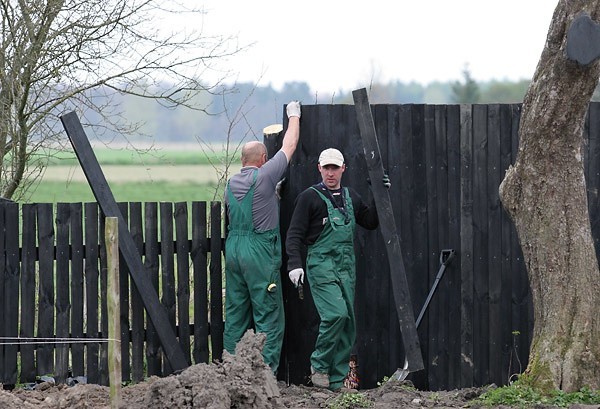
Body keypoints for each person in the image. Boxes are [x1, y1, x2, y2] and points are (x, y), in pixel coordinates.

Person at [285, 148, 390, 392]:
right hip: (321, 264)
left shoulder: (350, 196)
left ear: (344, 169)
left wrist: (379, 191)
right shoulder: (309, 197)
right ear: (319, 169)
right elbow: (294, 234)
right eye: (326, 168)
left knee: (348, 323)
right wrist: (294, 264)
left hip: (345, 265)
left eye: (335, 168)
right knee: (336, 315)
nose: (330, 173)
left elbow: (371, 221)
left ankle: (336, 381)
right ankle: (320, 366)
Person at [223, 100, 301, 374]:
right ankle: (265, 376)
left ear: (242, 161)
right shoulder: (266, 175)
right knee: (268, 315)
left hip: (234, 250)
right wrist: (294, 115)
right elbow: (289, 146)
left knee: (235, 314)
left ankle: (230, 370)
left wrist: (273, 197)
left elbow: (249, 207)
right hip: (259, 252)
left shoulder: (231, 184)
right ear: (263, 160)